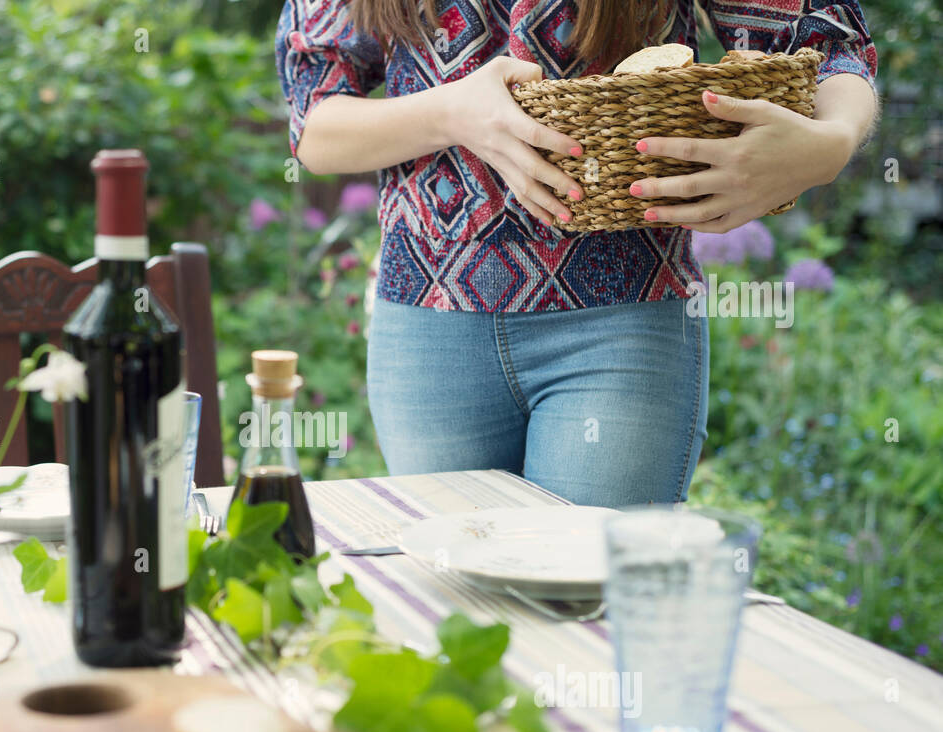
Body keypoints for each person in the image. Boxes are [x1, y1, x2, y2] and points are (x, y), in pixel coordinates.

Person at [276, 0, 877, 506]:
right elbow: (315, 124)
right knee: (455, 615)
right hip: (427, 333)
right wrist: (453, 112)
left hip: (620, 324)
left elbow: (827, 43)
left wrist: (831, 143)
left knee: (587, 614)